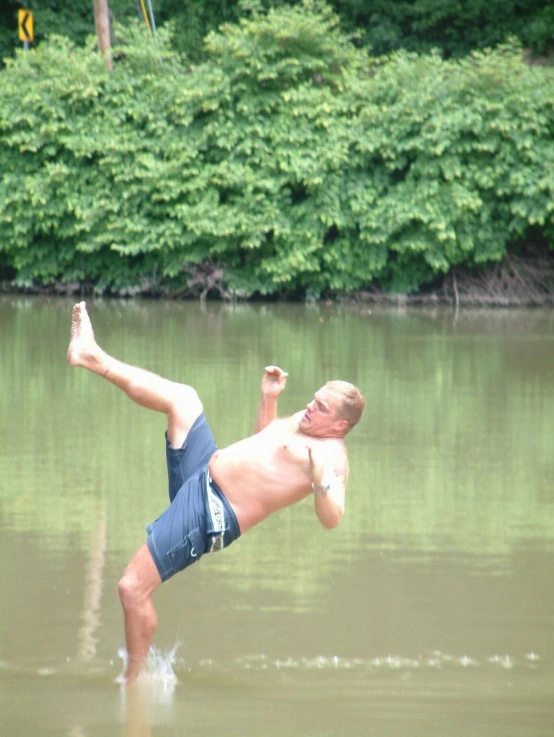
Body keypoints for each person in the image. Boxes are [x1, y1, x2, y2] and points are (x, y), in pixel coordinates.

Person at [67, 301, 365, 682]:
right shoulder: (304, 424)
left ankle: (134, 684)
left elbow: (332, 517)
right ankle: (90, 355)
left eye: (320, 407)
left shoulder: (331, 456)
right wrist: (269, 399)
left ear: (339, 424)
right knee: (183, 399)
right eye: (313, 398)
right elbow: (263, 443)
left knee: (131, 588)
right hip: (203, 471)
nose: (309, 406)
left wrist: (323, 482)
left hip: (211, 512)